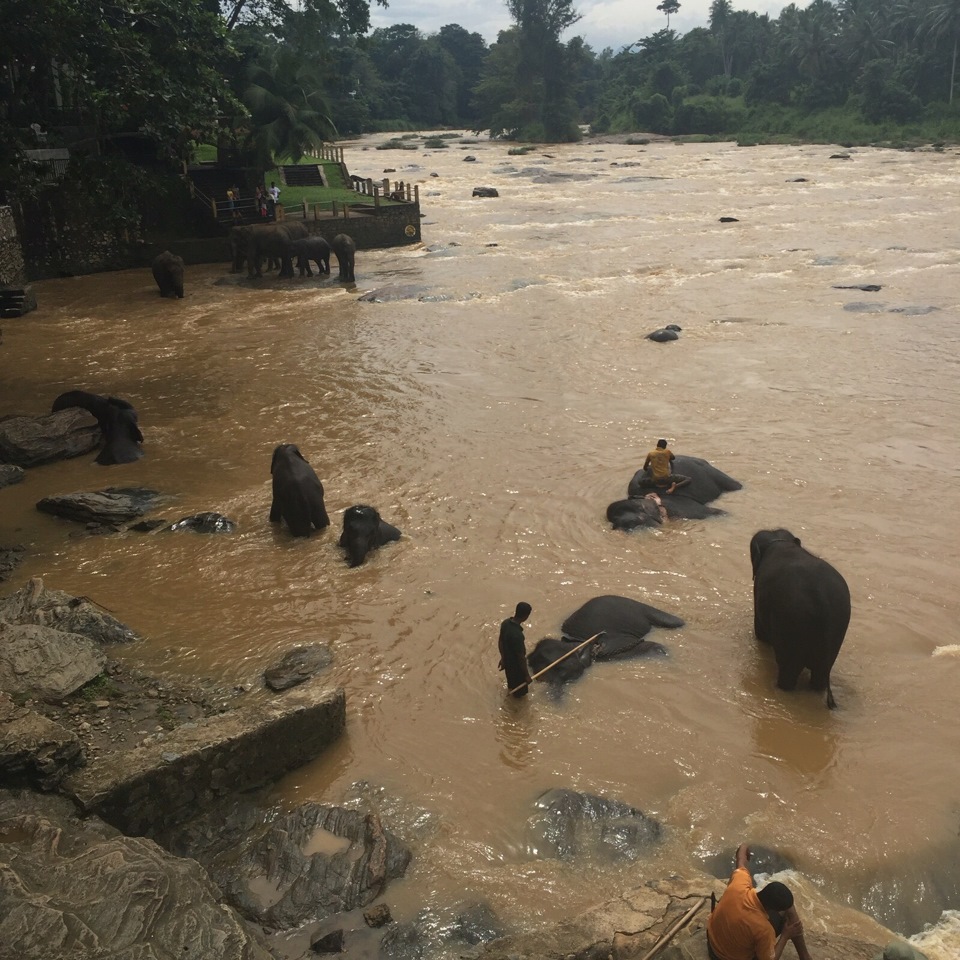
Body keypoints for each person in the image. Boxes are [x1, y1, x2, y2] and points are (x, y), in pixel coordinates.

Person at [707, 844, 813, 960]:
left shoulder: (739, 884)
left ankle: (804, 957)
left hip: (712, 938)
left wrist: (744, 845)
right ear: (773, 910)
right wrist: (785, 935)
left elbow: (741, 859)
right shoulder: (763, 929)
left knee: (787, 905)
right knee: (789, 911)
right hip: (725, 957)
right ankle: (805, 956)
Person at [498, 602, 533, 698]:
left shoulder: (505, 623)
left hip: (508, 665)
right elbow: (521, 658)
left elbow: (500, 642)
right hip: (517, 669)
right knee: (520, 695)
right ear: (526, 616)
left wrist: (503, 658)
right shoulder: (517, 635)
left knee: (511, 686)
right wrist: (526, 675)